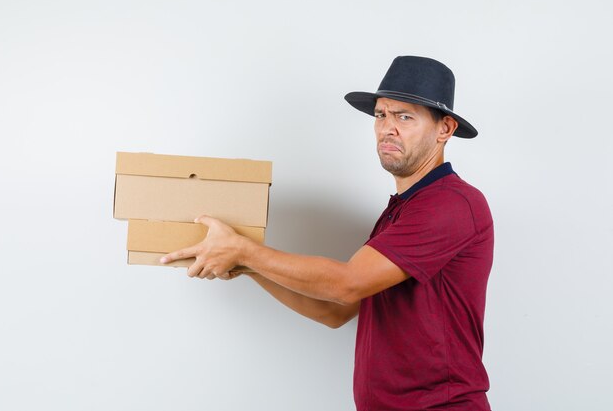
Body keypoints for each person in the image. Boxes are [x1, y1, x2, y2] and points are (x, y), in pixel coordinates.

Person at [161, 56, 494, 411]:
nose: (387, 128)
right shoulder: (401, 211)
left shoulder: (451, 203)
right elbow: (334, 311)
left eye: (405, 116)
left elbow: (345, 283)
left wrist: (243, 251)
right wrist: (245, 265)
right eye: (381, 115)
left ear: (445, 129)